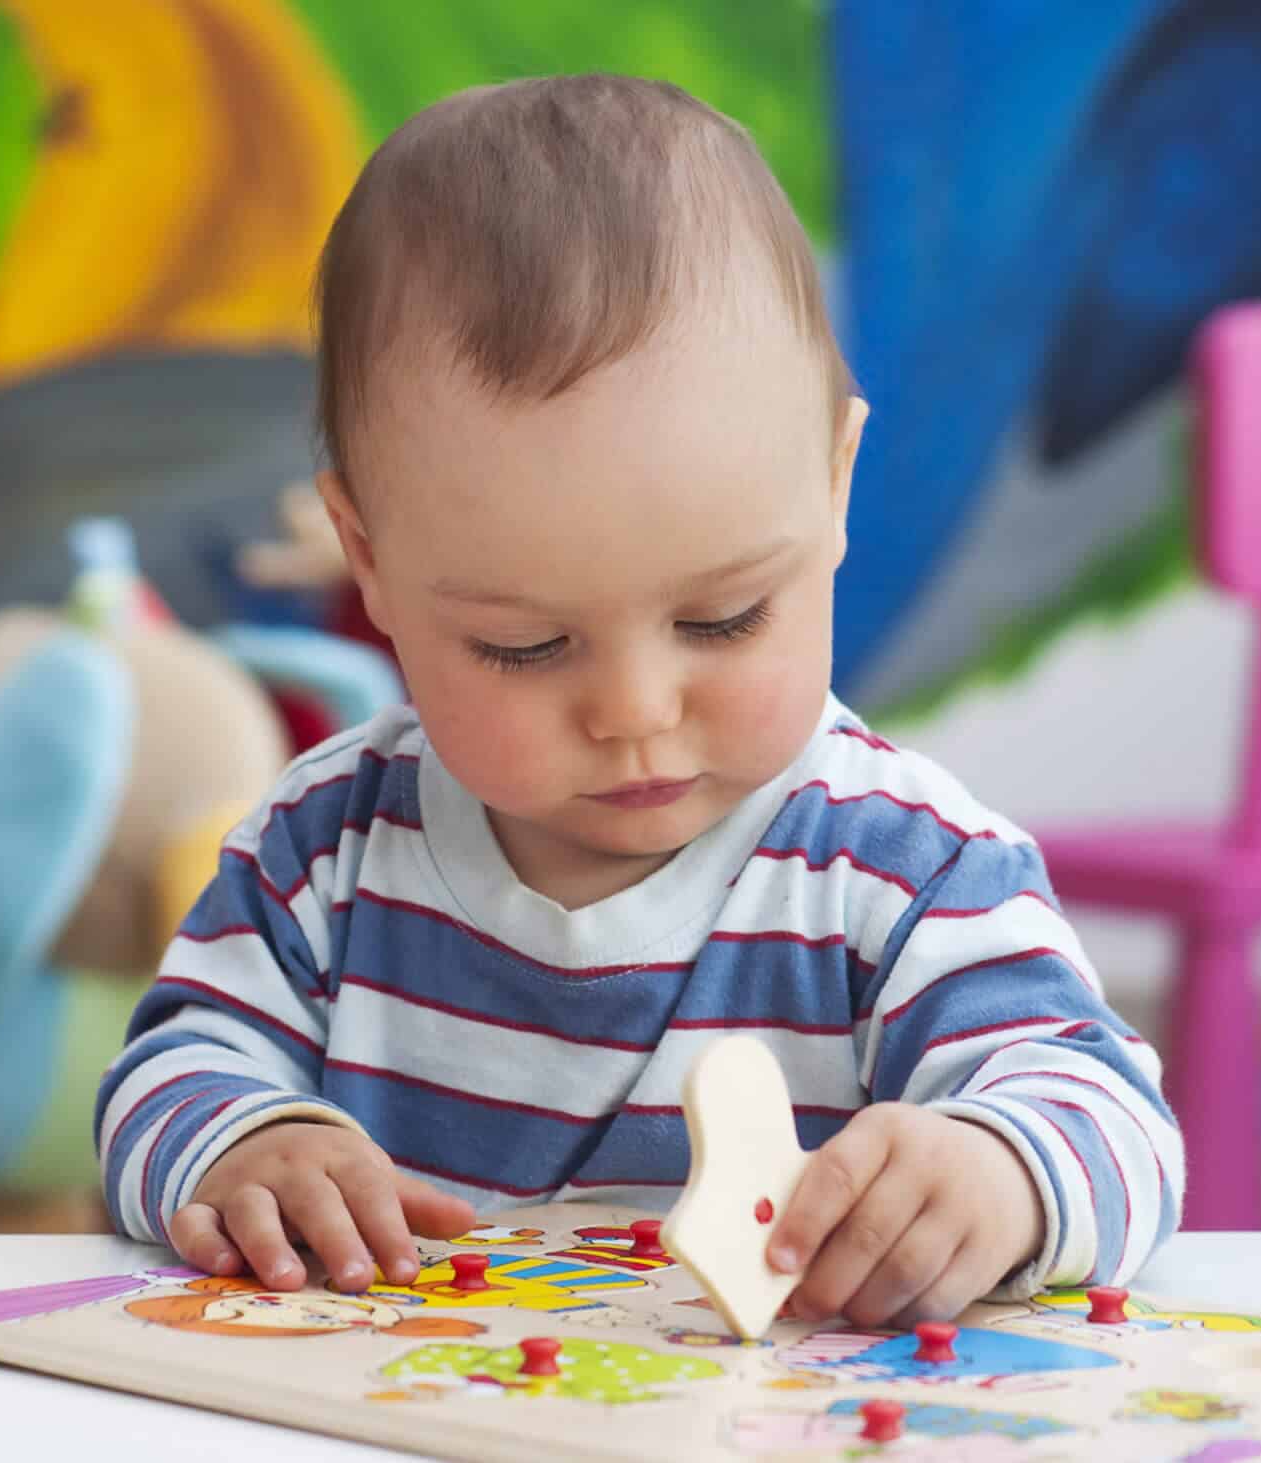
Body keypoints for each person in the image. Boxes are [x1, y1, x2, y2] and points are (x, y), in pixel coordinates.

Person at [97, 73, 1182, 1331]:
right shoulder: (323, 847)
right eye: (525, 642)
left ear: (832, 486)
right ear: (370, 556)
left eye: (720, 620)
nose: (632, 708)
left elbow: (1109, 1116)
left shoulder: (905, 867)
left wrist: (998, 1172)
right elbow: (159, 1078)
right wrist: (244, 1145)